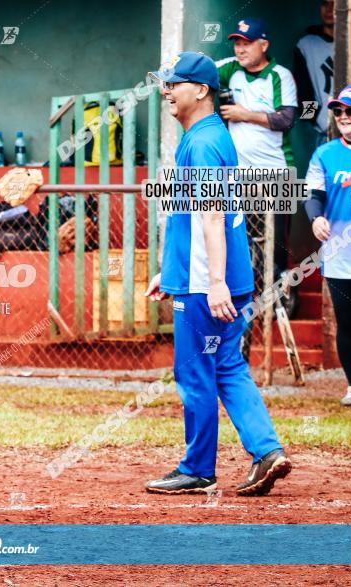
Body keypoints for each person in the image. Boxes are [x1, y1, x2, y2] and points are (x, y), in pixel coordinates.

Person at [144, 52, 291, 496]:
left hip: (208, 282)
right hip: (211, 274)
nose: (166, 91)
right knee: (228, 366)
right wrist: (168, 271)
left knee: (196, 373)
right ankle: (266, 452)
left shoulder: (203, 141)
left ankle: (198, 468)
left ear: (202, 91)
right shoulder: (209, 135)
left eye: (174, 83)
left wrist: (212, 283)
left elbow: (211, 216)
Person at [216, 19, 298, 293]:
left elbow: (286, 119)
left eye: (247, 43)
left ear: (264, 45)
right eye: (237, 43)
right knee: (244, 238)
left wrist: (244, 115)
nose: (240, 49)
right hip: (241, 175)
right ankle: (253, 300)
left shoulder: (280, 75)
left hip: (276, 172)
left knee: (276, 244)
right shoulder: (230, 68)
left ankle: (283, 298)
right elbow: (201, 75)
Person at [304, 85, 351, 406]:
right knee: (349, 322)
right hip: (341, 257)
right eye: (338, 112)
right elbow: (314, 196)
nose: (342, 117)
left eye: (349, 110)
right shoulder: (324, 154)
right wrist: (315, 219)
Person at [294, 0, 335, 142]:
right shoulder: (306, 44)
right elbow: (303, 90)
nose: (329, 9)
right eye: (325, 3)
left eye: (335, 3)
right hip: (327, 133)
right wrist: (315, 118)